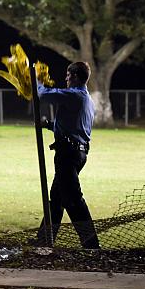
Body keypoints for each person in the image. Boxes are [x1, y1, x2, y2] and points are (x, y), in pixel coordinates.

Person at [33, 61, 100, 249]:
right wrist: (48, 125)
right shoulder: (86, 99)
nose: (66, 79)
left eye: (68, 75)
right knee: (56, 199)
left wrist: (37, 81)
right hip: (77, 152)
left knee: (73, 200)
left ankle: (91, 245)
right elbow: (72, 127)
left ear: (76, 76)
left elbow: (44, 95)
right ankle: (44, 239)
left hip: (68, 154)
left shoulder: (74, 95)